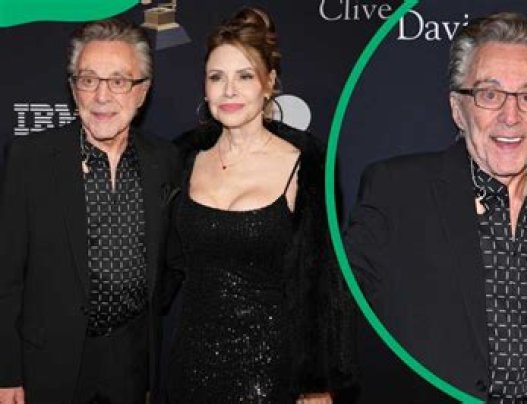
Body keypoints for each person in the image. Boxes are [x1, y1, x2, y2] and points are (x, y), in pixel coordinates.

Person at [344, 12, 527, 402]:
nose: (510, 116)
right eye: (489, 94)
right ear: (458, 108)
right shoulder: (397, 191)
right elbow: (335, 312)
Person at [163, 8, 356, 403]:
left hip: (272, 373)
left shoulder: (308, 164)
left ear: (269, 83)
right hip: (189, 365)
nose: (229, 91)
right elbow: (161, 268)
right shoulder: (181, 158)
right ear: (205, 88)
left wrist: (318, 383)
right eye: (217, 77)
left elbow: (323, 283)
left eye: (245, 76)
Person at [0, 19, 181, 404]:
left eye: (118, 81)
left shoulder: (165, 161)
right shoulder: (30, 160)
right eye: (88, 80)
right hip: (47, 363)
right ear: (73, 88)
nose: (101, 96)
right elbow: (6, 278)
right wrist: (6, 373)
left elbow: (171, 263)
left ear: (142, 91)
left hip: (132, 361)